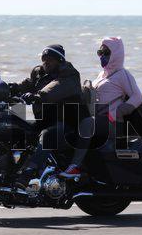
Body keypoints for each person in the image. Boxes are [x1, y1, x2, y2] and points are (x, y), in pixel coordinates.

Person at [60, 36, 142, 178]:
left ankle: (75, 166)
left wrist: (114, 114)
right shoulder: (102, 75)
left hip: (113, 123)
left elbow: (137, 97)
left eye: (106, 53)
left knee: (87, 123)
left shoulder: (123, 74)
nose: (102, 56)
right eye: (100, 52)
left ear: (116, 54)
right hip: (98, 120)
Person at [8, 44, 88, 188]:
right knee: (13, 121)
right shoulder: (40, 73)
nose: (46, 62)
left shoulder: (69, 74)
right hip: (44, 119)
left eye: (50, 60)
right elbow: (28, 84)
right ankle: (7, 168)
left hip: (67, 122)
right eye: (44, 59)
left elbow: (56, 87)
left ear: (60, 61)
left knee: (48, 135)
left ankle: (29, 173)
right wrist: (10, 88)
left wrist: (37, 96)